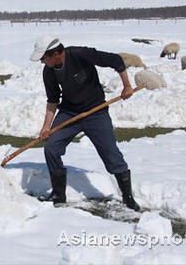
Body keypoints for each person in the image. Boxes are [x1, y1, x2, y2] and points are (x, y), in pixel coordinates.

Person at [29, 35, 140, 211]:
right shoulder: (49, 71)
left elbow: (116, 60)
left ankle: (128, 197)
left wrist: (127, 86)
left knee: (111, 154)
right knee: (51, 147)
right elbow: (52, 100)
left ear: (56, 53)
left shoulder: (81, 54)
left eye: (44, 58)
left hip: (96, 112)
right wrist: (46, 127)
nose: (43, 62)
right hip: (69, 113)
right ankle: (59, 194)